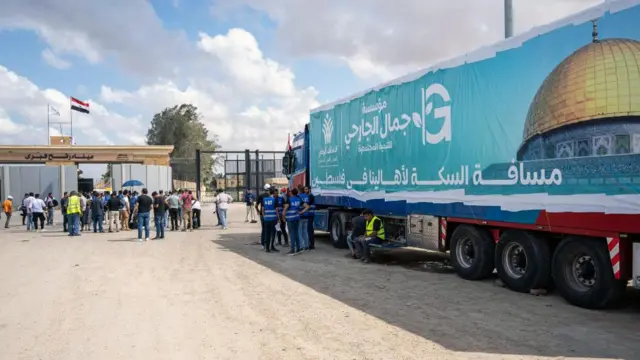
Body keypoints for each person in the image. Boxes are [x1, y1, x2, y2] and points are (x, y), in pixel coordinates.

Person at [282, 188, 302, 255]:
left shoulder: (289, 200)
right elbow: (307, 206)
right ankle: (298, 248)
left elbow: (285, 210)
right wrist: (301, 212)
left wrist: (283, 218)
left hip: (290, 219)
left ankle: (292, 249)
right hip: (297, 218)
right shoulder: (298, 199)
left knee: (292, 234)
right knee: (296, 233)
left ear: (292, 193)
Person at [261, 189, 278, 253]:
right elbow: (276, 210)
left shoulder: (264, 199)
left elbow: (262, 209)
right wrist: (278, 218)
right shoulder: (274, 199)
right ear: (273, 193)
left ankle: (267, 248)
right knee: (273, 233)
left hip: (266, 219)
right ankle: (272, 246)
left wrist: (264, 216)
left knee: (267, 234)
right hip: (273, 219)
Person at [297, 187, 312, 252]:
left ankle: (301, 246)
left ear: (299, 191)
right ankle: (306, 246)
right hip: (307, 215)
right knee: (305, 232)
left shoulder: (298, 197)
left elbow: (297, 205)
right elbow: (308, 205)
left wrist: (300, 212)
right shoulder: (307, 196)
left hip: (300, 216)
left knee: (299, 232)